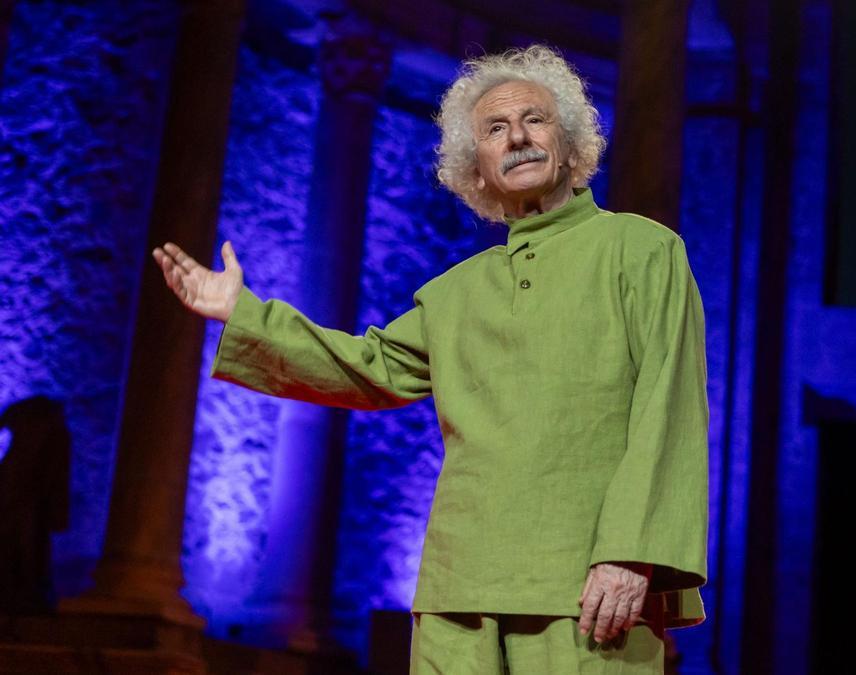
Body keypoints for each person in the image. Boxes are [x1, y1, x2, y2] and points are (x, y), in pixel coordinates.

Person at [152, 44, 709, 674]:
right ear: (477, 167)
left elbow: (671, 407)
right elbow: (368, 366)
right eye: (495, 129)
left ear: (570, 142)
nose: (517, 137)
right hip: (458, 588)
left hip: (585, 586)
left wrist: (630, 553)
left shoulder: (642, 250)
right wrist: (243, 313)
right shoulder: (455, 293)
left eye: (535, 120)